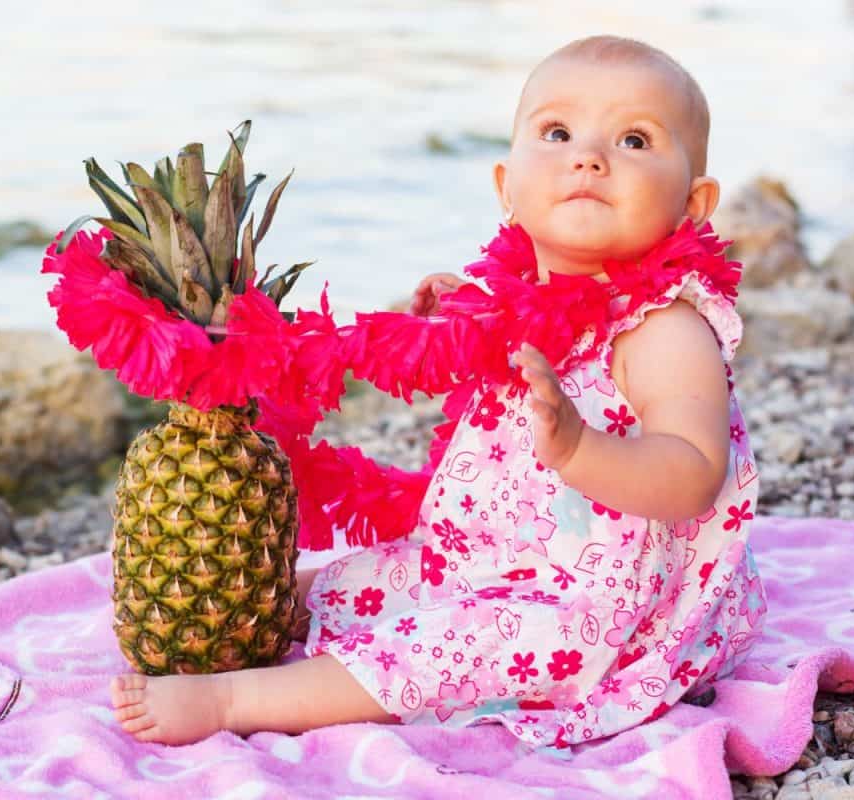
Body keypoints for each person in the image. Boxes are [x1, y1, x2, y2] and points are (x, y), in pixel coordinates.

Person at [109, 34, 767, 748]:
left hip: (597, 612)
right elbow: (505, 371)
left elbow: (694, 474)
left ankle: (236, 700)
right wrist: (461, 318)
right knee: (343, 583)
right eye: (557, 132)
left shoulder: (663, 328)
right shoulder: (521, 301)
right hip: (481, 556)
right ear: (505, 186)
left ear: (695, 204)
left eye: (635, 139)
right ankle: (246, 630)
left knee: (440, 650)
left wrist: (581, 447)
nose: (589, 157)